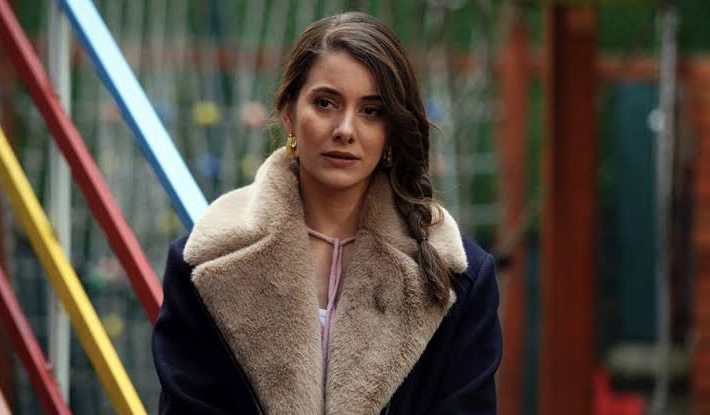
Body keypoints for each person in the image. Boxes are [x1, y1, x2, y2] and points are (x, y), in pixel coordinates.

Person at [152, 11, 502, 415]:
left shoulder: (459, 276)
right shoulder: (205, 262)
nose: (345, 129)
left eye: (371, 111)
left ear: (391, 129)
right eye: (325, 103)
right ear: (288, 112)